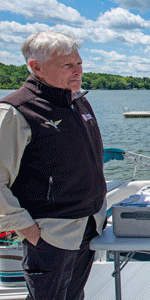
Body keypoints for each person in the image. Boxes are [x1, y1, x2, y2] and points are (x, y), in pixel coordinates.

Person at [0, 31, 107, 299]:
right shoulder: (17, 111)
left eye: (79, 63)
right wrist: (28, 230)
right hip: (51, 235)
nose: (78, 71)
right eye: (67, 65)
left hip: (87, 226)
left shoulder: (78, 100)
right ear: (36, 67)